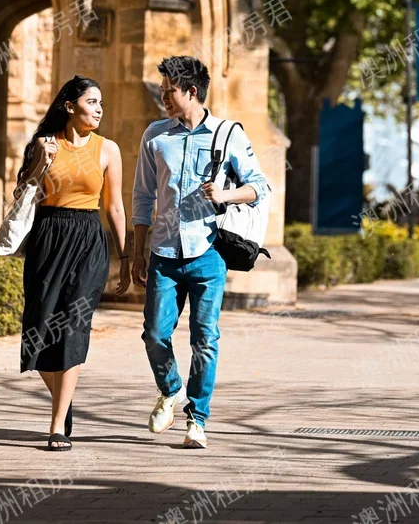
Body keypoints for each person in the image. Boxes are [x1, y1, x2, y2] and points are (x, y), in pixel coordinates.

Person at [131, 55, 269, 449]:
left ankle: (198, 418)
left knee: (204, 338)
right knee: (155, 334)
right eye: (161, 90)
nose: (163, 97)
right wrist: (137, 251)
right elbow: (142, 197)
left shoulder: (228, 135)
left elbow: (261, 186)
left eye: (168, 91)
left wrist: (225, 194)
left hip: (209, 251)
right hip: (163, 253)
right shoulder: (155, 136)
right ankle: (170, 389)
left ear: (191, 91)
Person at [15, 76, 131, 451]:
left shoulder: (108, 149)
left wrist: (126, 256)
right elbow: (23, 194)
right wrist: (40, 163)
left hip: (87, 240)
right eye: (92, 102)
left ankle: (56, 427)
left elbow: (114, 206)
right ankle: (63, 400)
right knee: (39, 325)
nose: (98, 109)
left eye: (101, 103)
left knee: (73, 327)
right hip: (47, 236)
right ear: (70, 106)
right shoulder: (43, 145)